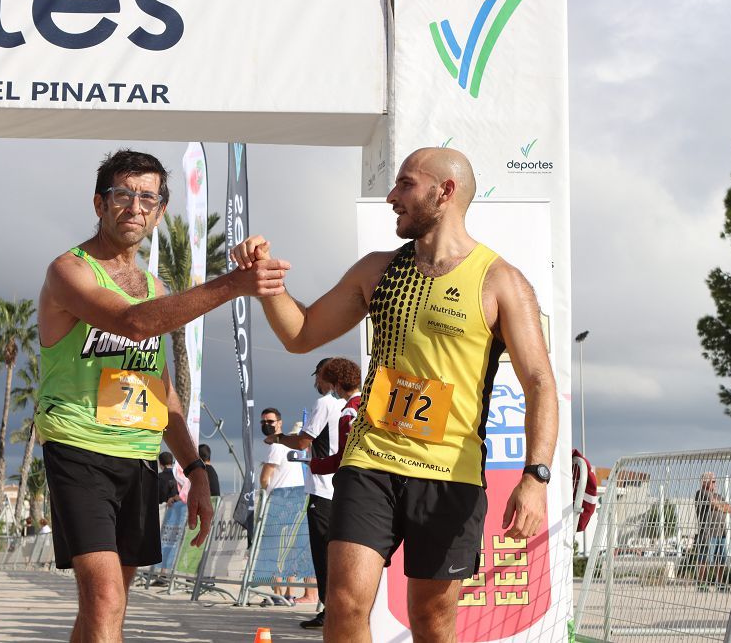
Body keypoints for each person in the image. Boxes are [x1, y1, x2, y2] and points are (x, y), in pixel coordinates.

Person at [232, 146, 559, 641]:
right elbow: (300, 335)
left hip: (450, 473)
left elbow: (539, 382)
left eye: (405, 184)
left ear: (443, 192)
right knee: (343, 605)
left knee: (431, 619)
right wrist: (269, 284)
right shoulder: (378, 270)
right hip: (372, 461)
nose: (391, 196)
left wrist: (535, 477)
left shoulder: (500, 280)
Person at [34, 148, 289, 641]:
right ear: (99, 204)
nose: (135, 207)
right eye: (123, 195)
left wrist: (195, 470)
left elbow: (160, 390)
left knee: (108, 604)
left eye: (147, 198)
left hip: (137, 457)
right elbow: (132, 323)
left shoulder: (154, 285)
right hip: (77, 446)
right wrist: (234, 284)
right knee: (105, 596)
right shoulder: (70, 270)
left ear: (160, 212)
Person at [267, 358, 350, 629]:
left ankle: (331, 612)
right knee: (344, 555)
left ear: (326, 376)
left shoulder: (325, 402)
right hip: (347, 488)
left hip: (324, 488)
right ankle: (344, 610)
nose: (315, 382)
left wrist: (278, 438)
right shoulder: (350, 403)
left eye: (317, 376)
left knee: (324, 554)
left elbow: (304, 441)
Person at [694, 472, 731, 590]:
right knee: (704, 559)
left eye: (714, 481)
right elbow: (717, 506)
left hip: (721, 532)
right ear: (705, 482)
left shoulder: (719, 496)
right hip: (708, 533)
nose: (715, 483)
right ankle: (701, 584)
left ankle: (720, 583)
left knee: (720, 560)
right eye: (713, 481)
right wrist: (728, 508)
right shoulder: (701, 493)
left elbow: (727, 508)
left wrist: (727, 508)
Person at [259, 408, 305, 493]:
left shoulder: (276, 446)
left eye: (270, 421)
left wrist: (266, 491)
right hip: (296, 494)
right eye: (263, 422)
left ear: (280, 423)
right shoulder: (292, 446)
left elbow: (264, 479)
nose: (266, 424)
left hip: (279, 496)